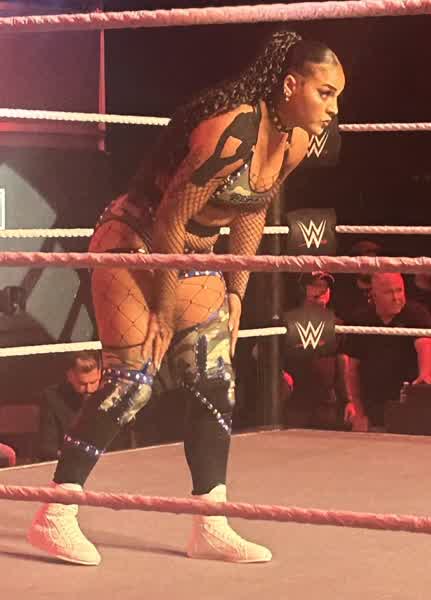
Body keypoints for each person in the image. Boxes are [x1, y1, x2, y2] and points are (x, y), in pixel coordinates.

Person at [28, 29, 345, 565]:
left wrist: (238, 290)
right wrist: (163, 307)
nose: (334, 109)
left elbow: (252, 208)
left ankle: (210, 523)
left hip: (191, 249)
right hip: (136, 240)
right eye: (326, 93)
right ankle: (55, 514)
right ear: (291, 85)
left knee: (215, 377)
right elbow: (172, 218)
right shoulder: (231, 128)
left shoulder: (291, 142)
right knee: (132, 381)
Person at [340, 273, 431, 432]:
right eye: (389, 292)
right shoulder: (361, 319)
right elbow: (352, 370)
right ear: (374, 295)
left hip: (406, 404)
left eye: (399, 290)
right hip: (373, 404)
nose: (396, 297)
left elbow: (425, 345)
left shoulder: (416, 313)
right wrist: (359, 412)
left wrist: (425, 375)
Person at [282, 271, 344, 430]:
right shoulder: (287, 320)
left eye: (326, 286)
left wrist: (347, 399)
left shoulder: (337, 323)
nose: (322, 290)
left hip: (326, 403)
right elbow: (264, 354)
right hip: (296, 401)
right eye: (316, 285)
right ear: (303, 289)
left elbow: (343, 361)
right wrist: (280, 375)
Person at [38, 351, 102, 461]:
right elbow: (48, 446)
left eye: (93, 382)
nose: (89, 389)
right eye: (82, 384)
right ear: (70, 376)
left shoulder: (109, 394)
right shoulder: (52, 398)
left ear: (100, 373)